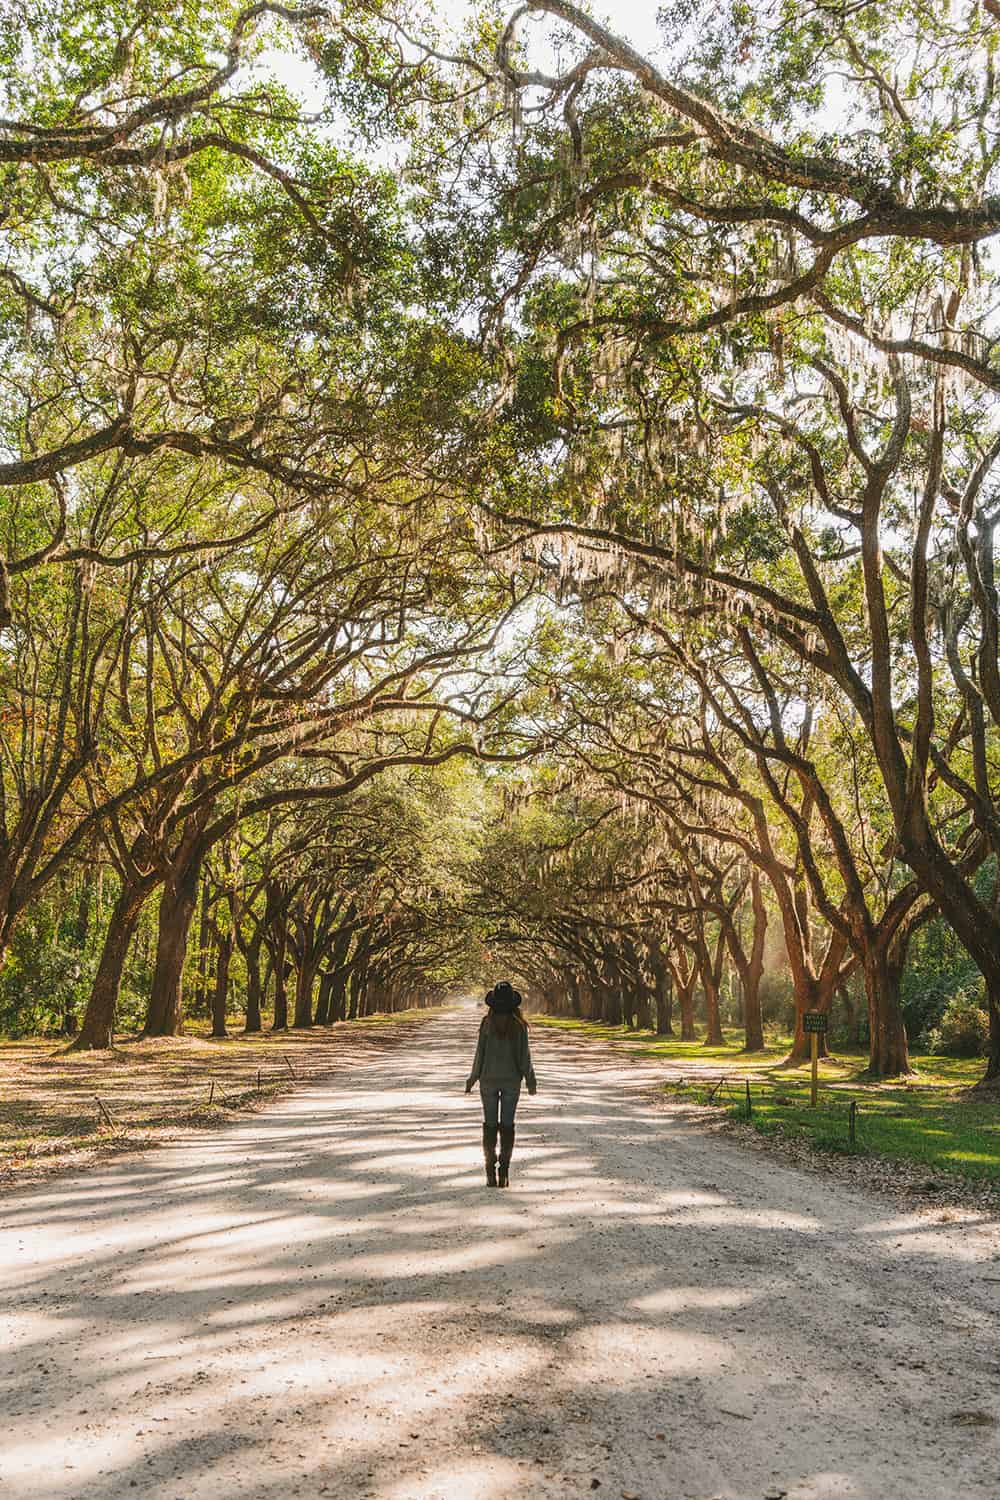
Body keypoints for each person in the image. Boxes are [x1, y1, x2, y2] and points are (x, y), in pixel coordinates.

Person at [465, 980, 537, 1187]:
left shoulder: (486, 1024)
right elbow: (525, 1058)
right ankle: (504, 1172)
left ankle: (490, 1172)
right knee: (507, 1126)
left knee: (489, 1125)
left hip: (487, 1081)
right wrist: (531, 1081)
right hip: (511, 1082)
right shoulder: (519, 1026)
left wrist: (472, 1078)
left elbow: (480, 1055)